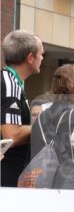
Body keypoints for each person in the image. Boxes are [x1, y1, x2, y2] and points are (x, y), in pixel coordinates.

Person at [20, 64, 74, 189]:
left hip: (42, 185)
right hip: (68, 187)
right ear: (73, 85)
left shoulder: (40, 118)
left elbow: (32, 156)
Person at [1, 31, 45, 186]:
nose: (42, 58)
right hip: (6, 180)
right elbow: (11, 135)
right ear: (30, 58)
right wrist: (41, 124)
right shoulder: (9, 85)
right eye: (41, 54)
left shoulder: (11, 82)